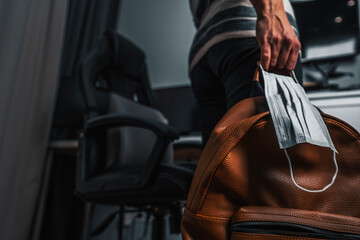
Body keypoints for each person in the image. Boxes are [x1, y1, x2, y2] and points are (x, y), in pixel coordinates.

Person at [188, 0, 302, 146]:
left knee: (217, 160)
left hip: (204, 49)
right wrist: (272, 15)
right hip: (249, 35)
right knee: (272, 158)